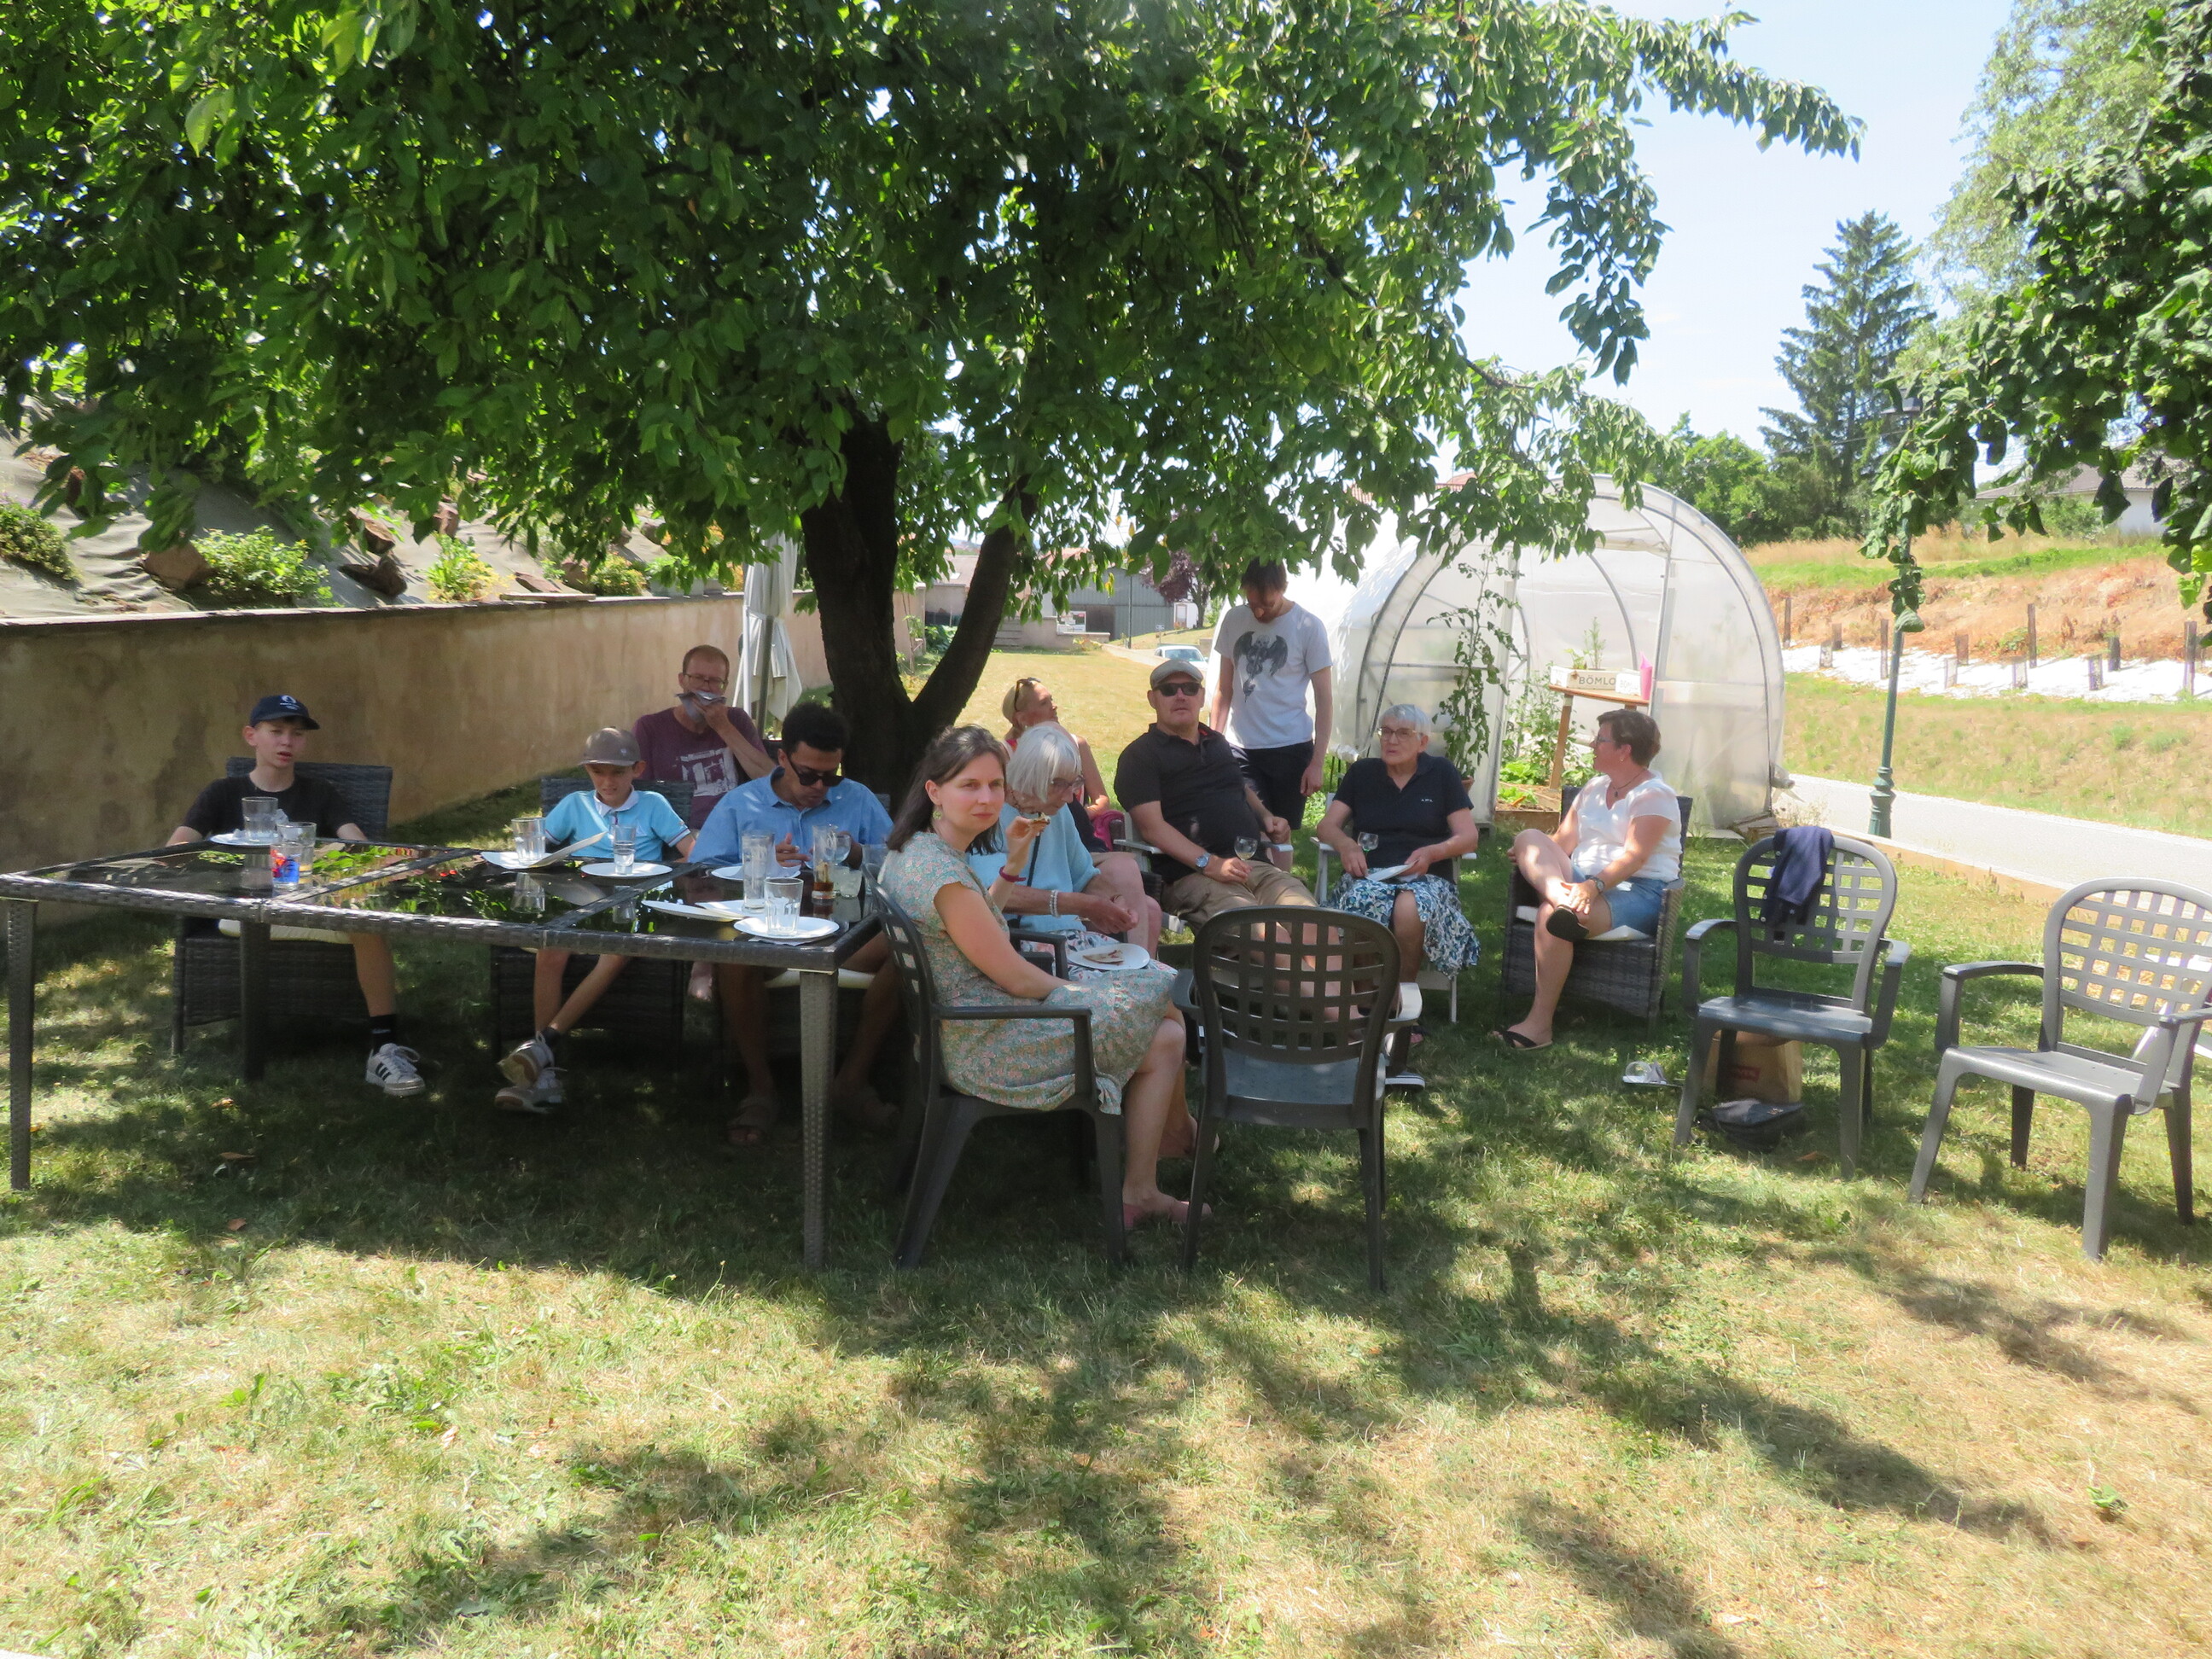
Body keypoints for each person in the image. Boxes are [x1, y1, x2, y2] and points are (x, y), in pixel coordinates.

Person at [880, 725, 1200, 1228]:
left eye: (995, 785)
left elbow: (984, 922)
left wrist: (1012, 864)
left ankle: (1142, 1188)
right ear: (935, 791)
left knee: (1165, 1032)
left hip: (970, 1025)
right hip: (987, 1046)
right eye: (970, 786)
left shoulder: (918, 851)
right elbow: (1020, 981)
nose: (987, 799)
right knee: (1160, 993)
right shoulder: (942, 878)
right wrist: (1088, 994)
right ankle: (1168, 1151)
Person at [168, 693, 423, 1097]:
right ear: (251, 736)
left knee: (368, 920)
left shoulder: (319, 793)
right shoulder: (223, 792)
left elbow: (357, 845)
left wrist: (383, 857)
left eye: (297, 734)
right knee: (357, 920)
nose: (287, 742)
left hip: (308, 905)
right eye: (276, 731)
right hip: (244, 910)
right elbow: (177, 849)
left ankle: (384, 1048)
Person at [691, 702, 894, 1144]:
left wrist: (858, 853)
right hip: (768, 936)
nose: (819, 786)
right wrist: (759, 864)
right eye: (808, 775)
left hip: (844, 935)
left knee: (910, 949)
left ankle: (852, 1080)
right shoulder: (742, 803)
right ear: (782, 757)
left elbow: (903, 865)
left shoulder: (857, 799)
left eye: (830, 776)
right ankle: (761, 1089)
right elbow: (699, 877)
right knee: (732, 956)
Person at [492, 728, 696, 1114]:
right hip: (582, 901)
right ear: (587, 771)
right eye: (597, 772)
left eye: (617, 772)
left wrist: (659, 876)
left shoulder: (653, 805)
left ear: (637, 769)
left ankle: (542, 1050)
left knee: (615, 951)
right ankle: (545, 1072)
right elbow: (537, 849)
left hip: (634, 903)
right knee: (551, 949)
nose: (607, 782)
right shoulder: (575, 805)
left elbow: (693, 852)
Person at [1499, 707, 1682, 1051]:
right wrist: (1531, 852)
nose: (1593, 745)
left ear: (1624, 750)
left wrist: (1592, 886)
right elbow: (1561, 842)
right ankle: (1561, 898)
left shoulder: (1654, 795)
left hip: (1638, 890)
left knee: (1551, 915)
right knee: (1528, 837)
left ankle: (1539, 1026)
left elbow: (1635, 856)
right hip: (1579, 883)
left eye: (1600, 739)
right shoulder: (1596, 787)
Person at [1115, 659, 1318, 926]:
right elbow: (1152, 828)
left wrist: (1266, 816)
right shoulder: (1140, 756)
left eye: (1189, 688)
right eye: (1169, 690)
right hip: (1192, 875)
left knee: (1314, 925)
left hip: (1252, 865)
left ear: (1201, 697)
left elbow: (1239, 785)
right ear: (1153, 699)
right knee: (1264, 934)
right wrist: (1210, 864)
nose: (1180, 696)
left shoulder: (1217, 743)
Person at [1315, 704, 1481, 1010]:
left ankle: (1400, 1001)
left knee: (1410, 907)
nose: (1391, 740)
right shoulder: (1363, 773)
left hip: (1426, 876)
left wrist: (1433, 852)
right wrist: (1346, 845)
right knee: (1362, 899)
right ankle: (1364, 999)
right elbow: (1327, 826)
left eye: (1403, 733)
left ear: (1422, 742)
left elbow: (1468, 836)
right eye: (1386, 732)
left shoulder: (1441, 773)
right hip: (1370, 874)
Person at [971, 722, 1161, 953]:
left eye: (1075, 784)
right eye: (1060, 785)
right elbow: (994, 893)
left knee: (1155, 972)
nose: (1070, 798)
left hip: (1071, 939)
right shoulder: (991, 813)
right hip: (1022, 945)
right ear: (1033, 776)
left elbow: (1084, 876)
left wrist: (1114, 901)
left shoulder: (1059, 812)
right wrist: (1077, 904)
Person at [1208, 558, 1333, 867]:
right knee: (1251, 831)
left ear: (1284, 588)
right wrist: (1213, 743)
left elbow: (1325, 699)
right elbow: (1224, 689)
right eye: (1252, 604)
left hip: (1290, 748)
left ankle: (1282, 894)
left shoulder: (1308, 627)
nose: (1259, 612)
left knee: (1280, 833)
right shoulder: (1234, 620)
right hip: (1240, 747)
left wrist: (1317, 762)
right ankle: (1254, 892)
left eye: (1267, 604)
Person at [632, 643, 773, 833]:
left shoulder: (737, 720)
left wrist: (724, 727)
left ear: (724, 687)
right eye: (698, 678)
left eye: (715, 681)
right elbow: (640, 797)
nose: (705, 688)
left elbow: (770, 780)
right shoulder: (650, 728)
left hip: (736, 830)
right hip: (677, 836)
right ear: (682, 680)